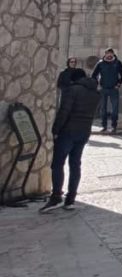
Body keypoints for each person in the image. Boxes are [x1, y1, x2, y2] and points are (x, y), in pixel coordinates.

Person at [39, 69, 101, 213]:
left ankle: (56, 197)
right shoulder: (95, 93)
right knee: (75, 164)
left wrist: (55, 130)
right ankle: (70, 199)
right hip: (84, 132)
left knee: (58, 164)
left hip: (68, 132)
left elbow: (64, 112)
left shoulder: (72, 90)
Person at [91, 48, 122, 133]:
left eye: (111, 53)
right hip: (103, 88)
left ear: (113, 54)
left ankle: (114, 126)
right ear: (105, 54)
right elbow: (93, 75)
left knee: (115, 109)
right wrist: (97, 84)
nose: (109, 55)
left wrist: (119, 84)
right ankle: (104, 126)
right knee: (103, 109)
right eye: (108, 53)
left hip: (114, 89)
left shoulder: (117, 63)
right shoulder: (100, 63)